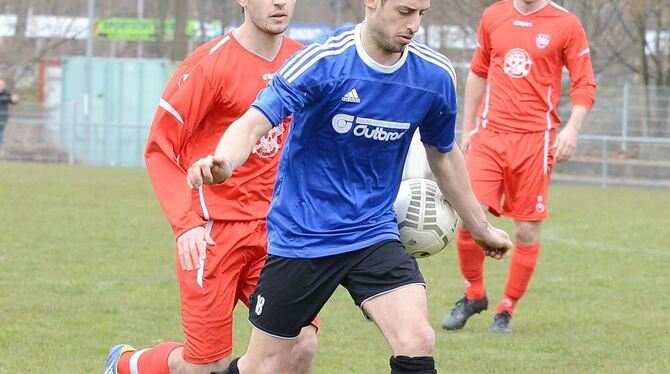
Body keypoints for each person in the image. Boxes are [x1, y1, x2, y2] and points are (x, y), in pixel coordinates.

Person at [187, 0, 513, 372]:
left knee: (417, 338)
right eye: (404, 12)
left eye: (421, 14)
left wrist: (481, 228)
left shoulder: (433, 75)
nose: (414, 25)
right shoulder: (323, 62)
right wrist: (225, 162)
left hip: (373, 233)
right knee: (265, 365)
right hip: (303, 236)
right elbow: (253, 123)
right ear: (372, 3)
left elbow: (442, 154)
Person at [103, 1, 318, 373]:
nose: (280, 1)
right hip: (212, 233)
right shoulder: (208, 65)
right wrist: (185, 224)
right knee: (209, 367)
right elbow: (159, 149)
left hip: (279, 231)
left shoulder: (304, 61)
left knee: (300, 343)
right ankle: (128, 364)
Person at [441, 0, 597, 334]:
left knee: (526, 230)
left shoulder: (566, 24)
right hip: (489, 135)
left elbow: (585, 84)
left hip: (535, 141)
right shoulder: (493, 15)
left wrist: (571, 129)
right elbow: (478, 72)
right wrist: (467, 128)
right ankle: (474, 293)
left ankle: (506, 309)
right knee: (470, 216)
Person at [0, 79, 20, 148]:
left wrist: (15, 99)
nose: (1, 86)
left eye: (2, 85)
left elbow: (14, 101)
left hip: (2, 119)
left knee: (0, 133)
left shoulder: (7, 94)